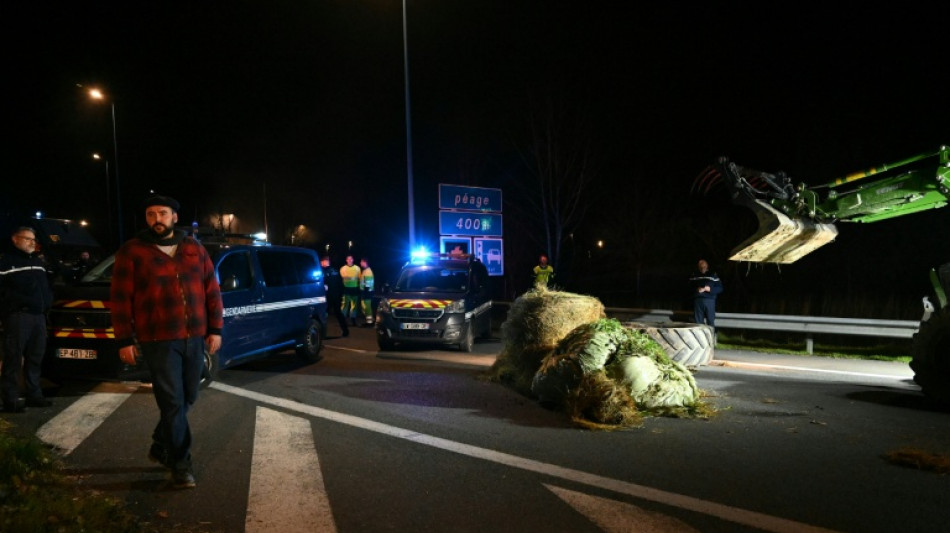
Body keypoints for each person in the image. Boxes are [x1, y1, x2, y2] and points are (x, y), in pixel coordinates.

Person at [110, 195, 223, 489]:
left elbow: (212, 290)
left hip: (194, 336)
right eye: (150, 214)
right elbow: (120, 299)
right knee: (172, 402)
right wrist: (124, 338)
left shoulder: (194, 249)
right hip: (158, 339)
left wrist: (216, 329)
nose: (156, 219)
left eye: (162, 213)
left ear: (174, 217)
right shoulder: (132, 251)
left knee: (189, 396)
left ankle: (161, 443)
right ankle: (181, 464)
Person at [0, 227, 54, 413]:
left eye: (34, 239)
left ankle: (34, 395)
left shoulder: (38, 262)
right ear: (15, 239)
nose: (33, 242)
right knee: (13, 359)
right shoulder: (6, 262)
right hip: (18, 317)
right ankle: (10, 398)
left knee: (35, 357)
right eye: (28, 239)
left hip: (38, 317)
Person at [690, 259, 723, 330]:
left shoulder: (713, 275)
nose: (702, 268)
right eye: (701, 266)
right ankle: (700, 338)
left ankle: (711, 337)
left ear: (707, 266)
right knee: (698, 322)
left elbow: (720, 288)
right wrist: (696, 289)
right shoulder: (694, 275)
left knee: (710, 320)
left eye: (704, 266)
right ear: (698, 267)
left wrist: (710, 289)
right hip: (698, 300)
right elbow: (689, 287)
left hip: (709, 300)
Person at [321, 255, 349, 337]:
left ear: (325, 262)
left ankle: (322, 333)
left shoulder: (324, 272)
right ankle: (345, 331)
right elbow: (341, 283)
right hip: (337, 296)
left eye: (321, 262)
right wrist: (341, 294)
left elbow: (324, 285)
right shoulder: (336, 271)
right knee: (338, 313)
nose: (321, 264)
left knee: (323, 314)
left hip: (328, 296)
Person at [339, 254, 361, 326]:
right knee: (345, 305)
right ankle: (343, 320)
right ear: (346, 260)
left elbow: (359, 278)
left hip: (355, 288)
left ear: (353, 259)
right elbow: (342, 278)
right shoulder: (343, 268)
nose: (349, 260)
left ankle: (353, 320)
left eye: (351, 259)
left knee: (354, 306)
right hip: (346, 289)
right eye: (348, 259)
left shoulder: (357, 268)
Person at [359, 257, 375, 327]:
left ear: (364, 262)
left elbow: (368, 285)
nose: (360, 263)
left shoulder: (367, 272)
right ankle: (369, 321)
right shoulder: (366, 270)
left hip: (367, 293)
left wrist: (364, 293)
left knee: (367, 308)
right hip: (366, 292)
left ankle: (369, 323)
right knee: (366, 307)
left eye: (361, 262)